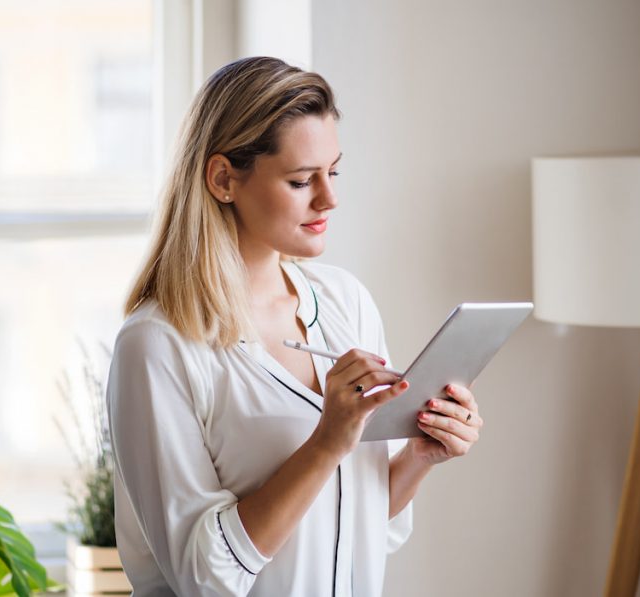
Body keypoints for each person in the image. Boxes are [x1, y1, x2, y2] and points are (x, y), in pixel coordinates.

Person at [106, 56, 483, 597]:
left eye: (333, 173)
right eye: (302, 180)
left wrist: (421, 455)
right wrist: (326, 443)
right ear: (222, 179)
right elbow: (204, 575)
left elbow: (358, 524)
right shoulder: (157, 345)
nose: (329, 198)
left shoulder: (345, 301)